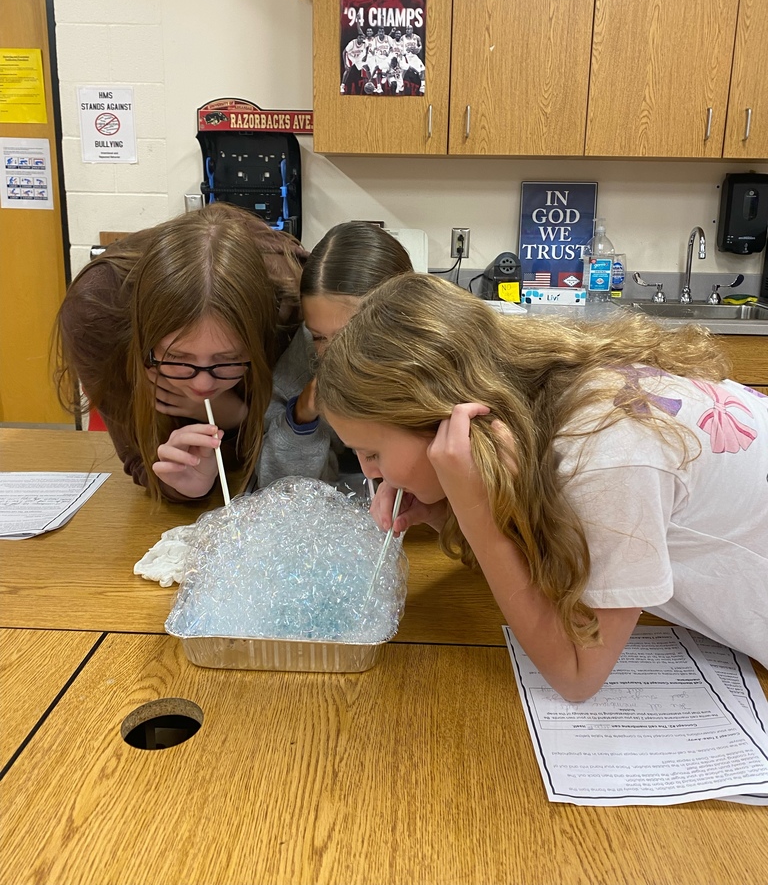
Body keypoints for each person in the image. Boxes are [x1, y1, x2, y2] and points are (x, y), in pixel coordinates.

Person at [315, 272, 768, 700]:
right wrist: (444, 511)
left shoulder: (605, 452)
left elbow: (577, 675)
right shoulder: (549, 404)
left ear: (442, 423)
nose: (371, 473)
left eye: (372, 453)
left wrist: (476, 514)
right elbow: (545, 566)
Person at [55, 204, 307, 502]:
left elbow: (296, 442)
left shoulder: (295, 300)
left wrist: (240, 415)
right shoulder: (98, 311)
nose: (202, 387)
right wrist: (189, 486)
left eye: (227, 360)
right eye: (177, 359)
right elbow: (142, 459)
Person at [255, 222, 412, 489]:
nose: (332, 356)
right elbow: (278, 489)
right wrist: (301, 417)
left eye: (348, 336)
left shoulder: (437, 364)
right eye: (318, 336)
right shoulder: (304, 360)